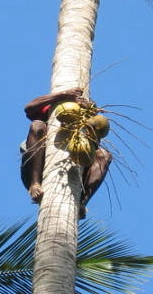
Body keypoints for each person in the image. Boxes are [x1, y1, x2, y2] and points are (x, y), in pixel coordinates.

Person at [20, 88, 112, 218]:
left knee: (104, 155)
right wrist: (62, 95)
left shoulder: (90, 121)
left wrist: (89, 113)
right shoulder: (53, 106)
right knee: (37, 125)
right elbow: (29, 108)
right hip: (35, 166)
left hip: (77, 170)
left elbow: (92, 148)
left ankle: (81, 202)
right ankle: (34, 184)